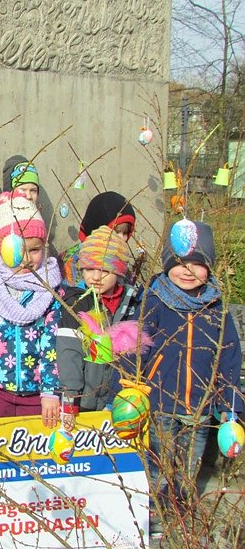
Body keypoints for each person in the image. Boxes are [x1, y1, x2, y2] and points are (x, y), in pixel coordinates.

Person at [121, 221, 242, 537]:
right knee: (159, 466)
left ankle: (180, 513)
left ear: (209, 267)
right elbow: (139, 343)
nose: (187, 271)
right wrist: (130, 379)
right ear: (167, 264)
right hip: (160, 402)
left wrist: (230, 408)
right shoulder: (156, 300)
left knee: (188, 468)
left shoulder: (217, 309)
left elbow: (228, 360)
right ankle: (155, 515)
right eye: (180, 263)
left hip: (198, 408)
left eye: (198, 264)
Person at [0, 194, 62, 428]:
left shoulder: (50, 289)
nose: (27, 259)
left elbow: (53, 344)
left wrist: (50, 391)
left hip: (37, 397)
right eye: (18, 250)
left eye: (35, 250)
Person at [56, 226, 143, 426]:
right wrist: (69, 400)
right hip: (83, 402)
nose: (95, 277)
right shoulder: (76, 304)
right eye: (89, 269)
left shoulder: (132, 303)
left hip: (121, 402)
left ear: (119, 271)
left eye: (104, 270)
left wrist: (119, 398)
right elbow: (69, 355)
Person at [59, 191, 136, 287]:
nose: (121, 238)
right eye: (115, 231)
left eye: (125, 233)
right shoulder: (72, 262)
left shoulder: (122, 262)